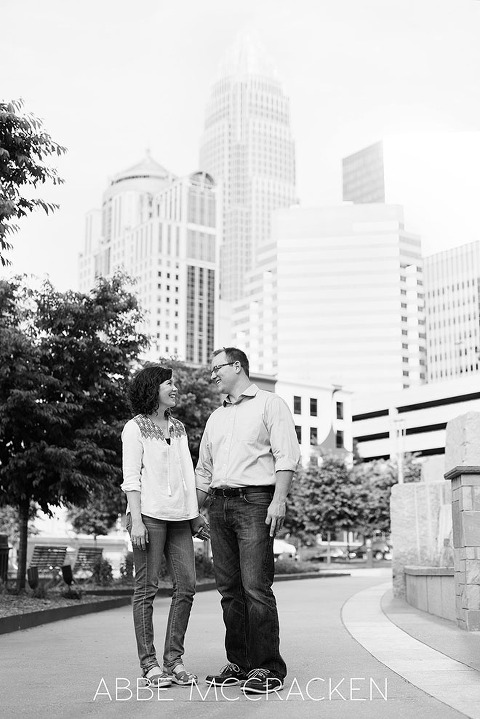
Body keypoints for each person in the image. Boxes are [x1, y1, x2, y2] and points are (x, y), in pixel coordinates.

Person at [195, 347, 301, 695]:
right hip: (219, 506)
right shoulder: (215, 418)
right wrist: (192, 513)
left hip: (255, 501)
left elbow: (286, 455)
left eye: (216, 368)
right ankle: (239, 664)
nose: (212, 375)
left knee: (256, 586)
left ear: (237, 366)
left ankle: (268, 668)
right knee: (228, 590)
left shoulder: (270, 404)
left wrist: (278, 501)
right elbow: (204, 471)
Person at [121, 364, 209, 688]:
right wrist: (137, 521)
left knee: (187, 585)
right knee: (146, 589)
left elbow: (188, 474)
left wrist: (195, 514)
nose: (174, 388)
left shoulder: (180, 428)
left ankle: (174, 659)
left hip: (180, 520)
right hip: (150, 517)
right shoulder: (135, 428)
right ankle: (149, 664)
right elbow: (131, 479)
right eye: (169, 384)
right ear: (153, 388)